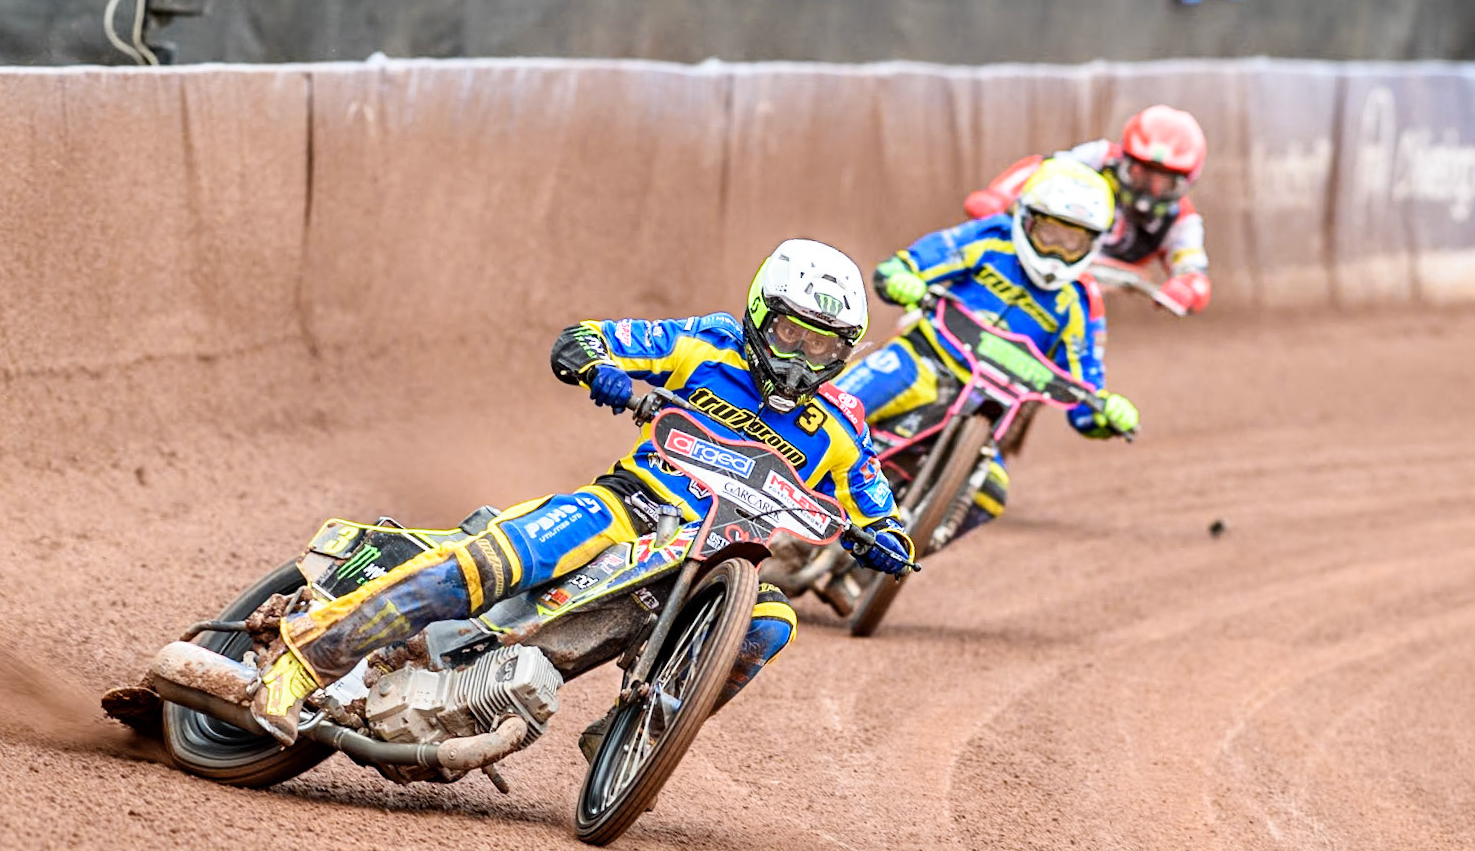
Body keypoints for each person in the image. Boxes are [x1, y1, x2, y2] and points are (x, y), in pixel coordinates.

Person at [249, 239, 915, 747]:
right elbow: (588, 338)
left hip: (723, 556)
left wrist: (885, 538)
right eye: (790, 333)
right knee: (496, 562)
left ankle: (636, 735)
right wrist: (602, 371)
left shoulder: (841, 423)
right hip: (632, 506)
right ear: (758, 314)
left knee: (770, 621)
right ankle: (302, 661)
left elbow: (872, 500)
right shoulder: (704, 344)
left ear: (846, 350)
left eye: (821, 345)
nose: (801, 357)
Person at [830, 158, 1139, 558]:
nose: (1058, 252)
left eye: (1073, 242)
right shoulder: (990, 239)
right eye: (1050, 234)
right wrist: (902, 276)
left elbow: (1085, 388)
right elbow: (912, 263)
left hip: (991, 413)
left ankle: (868, 572)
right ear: (1027, 219)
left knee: (992, 493)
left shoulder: (1081, 301)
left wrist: (1105, 413)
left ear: (1092, 244)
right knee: (834, 409)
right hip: (925, 361)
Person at [963, 105, 1212, 316]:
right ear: (1125, 158)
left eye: (1165, 183)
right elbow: (1044, 169)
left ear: (1186, 183)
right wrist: (998, 195)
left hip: (1080, 295)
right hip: (1038, 250)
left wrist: (1186, 289)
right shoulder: (1099, 158)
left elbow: (1195, 273)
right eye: (1141, 174)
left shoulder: (1181, 220)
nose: (1148, 191)